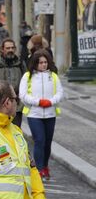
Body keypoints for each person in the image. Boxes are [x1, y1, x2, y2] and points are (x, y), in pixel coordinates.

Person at [19, 50, 64, 180]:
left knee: (47, 143)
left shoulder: (53, 76)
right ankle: (38, 169)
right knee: (39, 140)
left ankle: (45, 166)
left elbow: (60, 93)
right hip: (34, 114)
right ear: (35, 63)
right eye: (40, 63)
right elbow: (23, 95)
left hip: (50, 114)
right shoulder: (27, 76)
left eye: (45, 62)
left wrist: (51, 101)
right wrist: (38, 102)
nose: (43, 65)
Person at [0, 38, 26, 127]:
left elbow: (26, 79)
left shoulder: (20, 63)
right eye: (8, 48)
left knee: (16, 130)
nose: (10, 50)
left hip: (16, 105)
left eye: (12, 48)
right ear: (2, 49)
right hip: (0, 104)